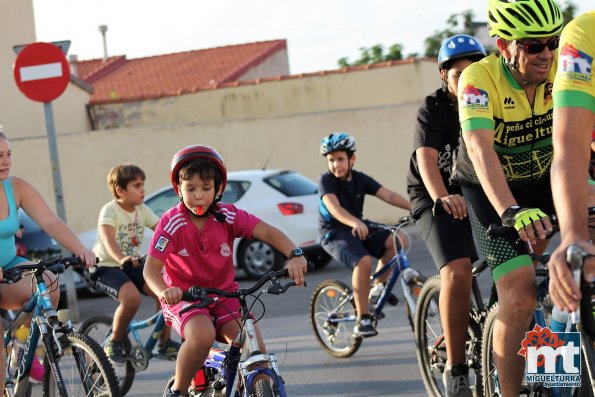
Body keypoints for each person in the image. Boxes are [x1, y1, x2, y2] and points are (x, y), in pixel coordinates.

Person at [449, 0, 563, 394]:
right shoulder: (477, 79)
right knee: (518, 292)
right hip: (489, 188)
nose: (546, 53)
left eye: (552, 41)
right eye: (533, 46)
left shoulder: (567, 67)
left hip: (546, 176)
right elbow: (481, 150)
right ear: (504, 46)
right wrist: (510, 209)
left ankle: (564, 362)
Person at [143, 145, 308, 397]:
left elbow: (266, 231)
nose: (198, 195)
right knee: (202, 334)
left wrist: (294, 254)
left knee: (256, 355)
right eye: (191, 189)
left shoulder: (228, 216)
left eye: (206, 188)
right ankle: (178, 390)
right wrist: (166, 292)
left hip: (226, 297)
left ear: (218, 189)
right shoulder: (171, 221)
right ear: (179, 189)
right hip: (186, 299)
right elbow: (151, 270)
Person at [406, 34, 485, 396]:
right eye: (459, 75)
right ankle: (456, 368)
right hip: (431, 193)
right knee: (457, 270)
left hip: (474, 188)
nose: (468, 81)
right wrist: (441, 196)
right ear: (443, 75)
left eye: (476, 72)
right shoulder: (433, 108)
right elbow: (426, 158)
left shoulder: (490, 100)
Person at [0, 131, 96, 390]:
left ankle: (21, 350)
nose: (6, 161)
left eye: (9, 154)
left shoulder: (15, 186)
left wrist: (80, 249)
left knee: (48, 284)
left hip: (8, 267)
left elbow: (50, 222)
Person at [318, 132, 411, 337]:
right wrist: (356, 222)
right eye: (331, 160)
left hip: (358, 227)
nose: (336, 165)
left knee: (398, 240)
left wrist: (414, 208)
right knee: (363, 261)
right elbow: (334, 208)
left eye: (340, 159)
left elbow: (388, 195)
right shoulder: (326, 181)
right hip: (334, 232)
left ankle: (377, 289)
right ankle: (363, 318)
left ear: (352, 159)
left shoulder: (360, 179)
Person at [90, 164, 180, 364]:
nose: (142, 189)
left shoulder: (141, 209)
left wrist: (182, 246)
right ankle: (114, 340)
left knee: (164, 292)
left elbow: (162, 231)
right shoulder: (110, 210)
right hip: (105, 266)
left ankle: (164, 342)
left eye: (143, 185)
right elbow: (108, 240)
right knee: (131, 298)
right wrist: (121, 258)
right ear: (120, 190)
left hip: (131, 263)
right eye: (136, 185)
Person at [549, 11, 595, 313]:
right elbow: (570, 144)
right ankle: (556, 356)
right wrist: (574, 235)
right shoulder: (585, 34)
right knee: (576, 278)